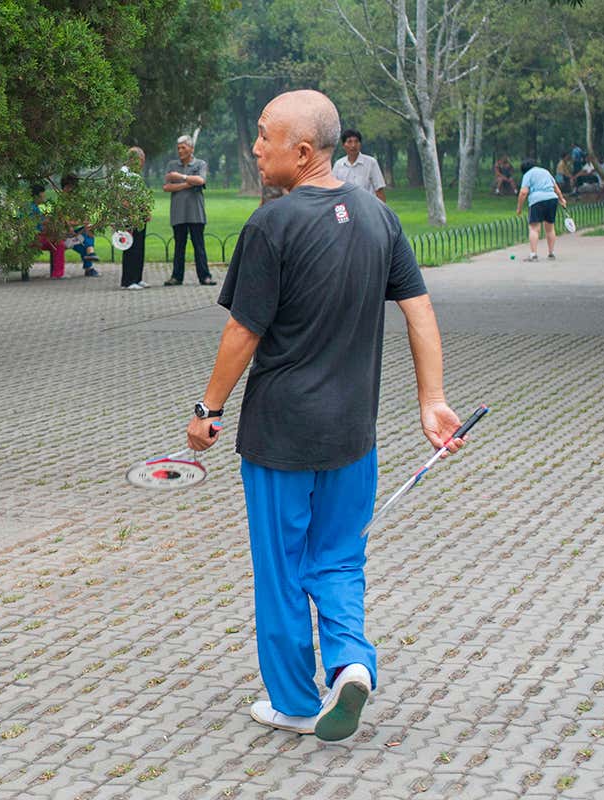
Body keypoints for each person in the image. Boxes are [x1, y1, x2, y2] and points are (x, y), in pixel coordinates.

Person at [185, 89, 466, 742]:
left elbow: (243, 332)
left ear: (304, 150)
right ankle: (351, 663)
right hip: (352, 437)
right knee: (339, 559)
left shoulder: (271, 225)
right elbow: (419, 309)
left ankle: (293, 702)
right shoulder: (378, 218)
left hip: (280, 437)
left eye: (265, 136)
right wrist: (432, 400)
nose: (256, 148)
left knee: (283, 570)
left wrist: (209, 408)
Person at [163, 135, 215, 286]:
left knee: (199, 246)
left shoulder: (200, 164)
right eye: (178, 148)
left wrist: (180, 177)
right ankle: (176, 277)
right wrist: (188, 184)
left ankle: (205, 276)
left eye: (183, 148)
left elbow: (201, 180)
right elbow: (166, 187)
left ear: (191, 149)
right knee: (179, 247)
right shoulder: (172, 165)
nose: (180, 151)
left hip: (196, 213)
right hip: (178, 213)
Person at [516, 159, 568, 262]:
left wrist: (519, 208)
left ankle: (533, 255)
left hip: (537, 200)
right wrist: (561, 199)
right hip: (552, 199)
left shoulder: (528, 174)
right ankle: (551, 253)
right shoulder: (545, 171)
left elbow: (523, 192)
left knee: (534, 228)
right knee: (550, 228)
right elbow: (556, 188)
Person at [58, 174, 100, 277]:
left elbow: (84, 217)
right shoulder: (61, 203)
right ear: (65, 187)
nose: (72, 190)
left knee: (88, 232)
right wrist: (76, 224)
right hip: (65, 236)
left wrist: (85, 223)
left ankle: (90, 256)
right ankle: (90, 261)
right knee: (85, 243)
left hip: (77, 234)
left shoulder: (77, 202)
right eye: (70, 187)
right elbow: (63, 221)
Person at [120, 147, 150, 290]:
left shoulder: (136, 175)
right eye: (141, 160)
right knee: (130, 247)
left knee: (139, 247)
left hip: (139, 216)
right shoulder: (123, 173)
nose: (143, 164)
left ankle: (138, 278)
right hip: (130, 216)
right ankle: (128, 280)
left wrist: (146, 211)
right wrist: (131, 212)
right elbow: (122, 196)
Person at [332, 129, 387, 201]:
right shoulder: (338, 165)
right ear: (343, 145)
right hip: (346, 205)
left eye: (356, 141)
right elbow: (333, 191)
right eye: (349, 142)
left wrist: (382, 207)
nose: (353, 145)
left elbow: (379, 190)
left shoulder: (371, 163)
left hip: (367, 205)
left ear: (360, 144)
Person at [29, 184, 65, 279]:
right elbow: (38, 226)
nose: (44, 196)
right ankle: (57, 274)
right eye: (43, 194)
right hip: (34, 239)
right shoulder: (31, 208)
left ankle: (57, 273)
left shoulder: (33, 207)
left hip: (36, 237)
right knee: (59, 244)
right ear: (37, 196)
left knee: (57, 242)